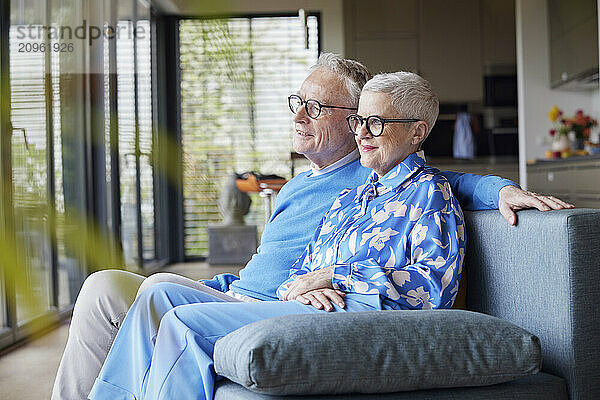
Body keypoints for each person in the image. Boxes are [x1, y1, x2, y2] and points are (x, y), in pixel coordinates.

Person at [51, 54, 572, 400]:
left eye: (317, 107)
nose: (300, 116)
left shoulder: (422, 186)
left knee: (162, 303)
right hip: (271, 297)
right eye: (298, 103)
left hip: (331, 311)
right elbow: (301, 271)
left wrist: (499, 189)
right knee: (130, 293)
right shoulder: (345, 194)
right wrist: (299, 285)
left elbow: (431, 266)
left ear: (409, 130)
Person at [88, 70, 465, 400]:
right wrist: (301, 285)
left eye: (377, 123)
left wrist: (335, 276)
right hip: (307, 304)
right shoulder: (353, 197)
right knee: (157, 292)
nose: (363, 133)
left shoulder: (431, 192)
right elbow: (301, 269)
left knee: (182, 323)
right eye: (360, 122)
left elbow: (434, 289)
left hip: (348, 318)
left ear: (417, 132)